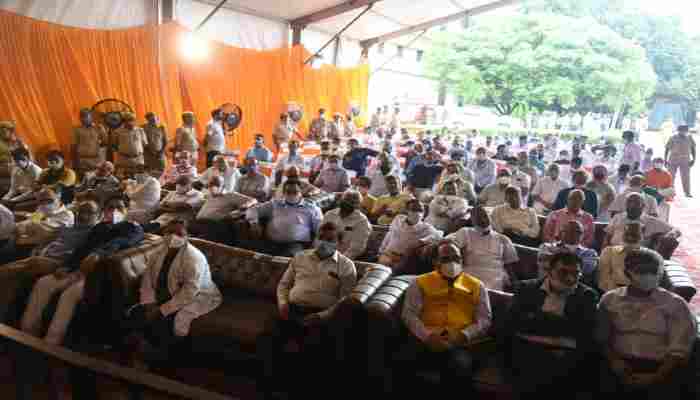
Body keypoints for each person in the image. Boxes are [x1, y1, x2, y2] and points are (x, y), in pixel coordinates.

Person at [21, 198, 144, 345]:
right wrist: (67, 266)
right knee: (43, 283)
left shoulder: (132, 227)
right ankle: (27, 333)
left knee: (69, 294)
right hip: (78, 269)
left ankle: (51, 343)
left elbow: (123, 242)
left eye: (119, 207)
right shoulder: (100, 227)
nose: (114, 211)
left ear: (126, 210)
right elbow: (82, 249)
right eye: (110, 207)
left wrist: (99, 253)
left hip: (98, 274)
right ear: (104, 211)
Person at [264, 222, 357, 395]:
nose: (323, 242)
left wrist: (321, 316)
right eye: (320, 238)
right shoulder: (300, 257)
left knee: (311, 351)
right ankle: (271, 387)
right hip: (291, 309)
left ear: (339, 243)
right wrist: (283, 304)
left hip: (320, 316)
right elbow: (284, 285)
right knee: (269, 339)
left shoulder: (346, 266)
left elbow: (344, 300)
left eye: (330, 239)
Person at [395, 240, 491, 395]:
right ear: (435, 261)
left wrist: (464, 335)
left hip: (459, 344)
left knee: (459, 367)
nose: (452, 263)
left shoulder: (477, 286)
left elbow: (484, 319)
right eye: (446, 259)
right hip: (424, 341)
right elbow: (409, 314)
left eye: (456, 258)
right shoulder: (419, 283)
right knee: (400, 361)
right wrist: (427, 336)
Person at [597, 248, 696, 398]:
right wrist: (614, 361)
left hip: (661, 367)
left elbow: (679, 348)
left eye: (653, 271)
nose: (648, 275)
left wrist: (656, 376)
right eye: (642, 271)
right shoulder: (610, 300)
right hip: (618, 364)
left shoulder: (675, 304)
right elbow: (602, 337)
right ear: (627, 273)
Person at [501, 252, 599, 399]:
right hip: (525, 351)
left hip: (564, 355)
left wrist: (535, 319)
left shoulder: (587, 296)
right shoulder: (526, 288)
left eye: (575, 273)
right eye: (563, 272)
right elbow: (512, 323)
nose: (570, 278)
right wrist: (562, 324)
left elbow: (582, 332)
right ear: (549, 271)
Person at [126, 220, 221, 363]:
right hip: (166, 295)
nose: (173, 236)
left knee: (171, 320)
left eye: (179, 233)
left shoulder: (193, 257)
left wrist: (162, 310)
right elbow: (147, 279)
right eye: (169, 232)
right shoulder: (158, 252)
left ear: (187, 236)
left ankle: (165, 359)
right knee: (135, 312)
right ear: (164, 233)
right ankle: (142, 351)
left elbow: (190, 292)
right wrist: (149, 303)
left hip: (197, 296)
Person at [446, 206, 519, 291]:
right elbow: (449, 244)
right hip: (470, 271)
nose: (482, 220)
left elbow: (510, 265)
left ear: (489, 217)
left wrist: (515, 283)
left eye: (485, 216)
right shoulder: (465, 232)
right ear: (472, 220)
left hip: (495, 274)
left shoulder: (503, 239)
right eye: (478, 217)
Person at [246, 180, 323, 257]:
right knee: (251, 253)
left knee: (285, 258)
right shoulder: (274, 204)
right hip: (270, 242)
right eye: (288, 192)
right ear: (283, 193)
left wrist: (315, 246)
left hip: (295, 244)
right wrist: (254, 223)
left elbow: (320, 229)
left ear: (301, 192)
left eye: (295, 192)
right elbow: (252, 210)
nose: (292, 195)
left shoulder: (311, 208)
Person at [378, 199, 443, 269]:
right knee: (381, 267)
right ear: (407, 211)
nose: (417, 212)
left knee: (393, 269)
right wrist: (380, 251)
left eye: (420, 210)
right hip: (387, 254)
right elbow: (389, 234)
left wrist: (422, 241)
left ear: (424, 213)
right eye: (414, 209)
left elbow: (439, 234)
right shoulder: (398, 219)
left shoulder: (426, 227)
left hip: (404, 259)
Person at [192, 175, 256, 245]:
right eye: (210, 184)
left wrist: (245, 206)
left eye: (216, 184)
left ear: (223, 186)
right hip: (199, 223)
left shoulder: (230, 195)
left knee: (200, 237)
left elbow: (253, 200)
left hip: (214, 224)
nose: (212, 187)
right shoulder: (209, 196)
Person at [604, 192, 680, 248]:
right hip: (614, 253)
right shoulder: (617, 217)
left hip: (638, 256)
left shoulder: (651, 221)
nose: (632, 205)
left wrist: (671, 235)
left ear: (643, 206)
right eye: (629, 202)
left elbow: (676, 230)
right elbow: (607, 236)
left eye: (636, 202)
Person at [538, 220, 598, 285]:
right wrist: (574, 260)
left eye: (578, 232)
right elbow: (544, 263)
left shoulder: (589, 253)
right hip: (547, 283)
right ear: (560, 233)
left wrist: (557, 255)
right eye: (568, 230)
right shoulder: (547, 246)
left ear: (582, 235)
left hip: (575, 285)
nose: (573, 234)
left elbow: (587, 269)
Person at [321, 191, 372, 260]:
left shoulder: (362, 221)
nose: (348, 203)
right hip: (324, 253)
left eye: (353, 202)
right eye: (346, 200)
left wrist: (338, 260)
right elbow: (319, 238)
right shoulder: (329, 214)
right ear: (340, 200)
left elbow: (356, 249)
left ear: (358, 205)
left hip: (344, 258)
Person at [597, 221, 645, 293]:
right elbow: (603, 278)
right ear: (622, 234)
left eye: (634, 235)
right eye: (627, 234)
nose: (630, 237)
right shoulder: (609, 252)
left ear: (642, 236)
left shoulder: (649, 256)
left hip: (639, 294)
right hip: (612, 292)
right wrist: (618, 294)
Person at [72, 108, 107, 177]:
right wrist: (74, 162)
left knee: (98, 179)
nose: (84, 119)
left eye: (86, 116)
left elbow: (105, 142)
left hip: (96, 160)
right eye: (82, 117)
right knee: (85, 179)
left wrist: (102, 158)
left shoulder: (98, 128)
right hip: (83, 161)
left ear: (91, 117)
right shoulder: (77, 130)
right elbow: (74, 146)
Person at [665, 124, 696, 197]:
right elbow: (667, 149)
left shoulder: (690, 138)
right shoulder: (673, 138)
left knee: (686, 176)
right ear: (678, 130)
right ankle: (670, 192)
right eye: (682, 130)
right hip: (673, 158)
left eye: (685, 130)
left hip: (685, 159)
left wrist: (694, 159)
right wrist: (665, 159)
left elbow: (693, 149)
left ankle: (687, 192)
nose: (683, 132)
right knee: (670, 176)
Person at [646, 157, 674, 222]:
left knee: (670, 193)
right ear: (653, 163)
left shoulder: (667, 175)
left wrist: (662, 193)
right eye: (657, 162)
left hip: (661, 196)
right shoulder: (647, 173)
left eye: (660, 162)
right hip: (649, 195)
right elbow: (644, 186)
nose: (659, 164)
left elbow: (669, 188)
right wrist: (653, 189)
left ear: (663, 164)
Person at [142, 112, 168, 177]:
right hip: (148, 155)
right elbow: (143, 142)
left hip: (160, 154)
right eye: (151, 120)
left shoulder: (161, 127)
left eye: (154, 119)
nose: (153, 121)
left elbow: (165, 141)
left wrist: (161, 152)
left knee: (162, 171)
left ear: (157, 118)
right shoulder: (143, 128)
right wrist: (151, 152)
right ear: (147, 120)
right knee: (150, 173)